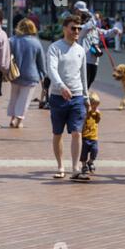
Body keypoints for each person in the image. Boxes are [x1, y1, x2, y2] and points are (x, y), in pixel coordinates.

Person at [47, 14, 90, 182]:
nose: (77, 31)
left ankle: (75, 168)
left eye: (79, 29)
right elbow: (51, 69)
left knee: (76, 132)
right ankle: (60, 166)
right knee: (57, 133)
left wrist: (85, 96)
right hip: (58, 97)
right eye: (73, 28)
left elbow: (83, 75)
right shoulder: (55, 48)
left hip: (77, 96)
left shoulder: (80, 50)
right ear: (65, 28)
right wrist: (61, 86)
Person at [7, 18, 46, 128]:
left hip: (14, 74)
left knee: (14, 96)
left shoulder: (12, 40)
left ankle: (12, 118)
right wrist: (43, 74)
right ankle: (19, 120)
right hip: (31, 75)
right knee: (24, 99)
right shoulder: (36, 42)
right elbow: (41, 61)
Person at [75, 1, 118, 89]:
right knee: (83, 83)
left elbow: (105, 33)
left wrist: (114, 30)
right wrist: (93, 19)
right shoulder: (79, 27)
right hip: (84, 60)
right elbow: (84, 29)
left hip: (94, 60)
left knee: (90, 81)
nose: (84, 15)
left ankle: (83, 99)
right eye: (82, 13)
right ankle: (80, 101)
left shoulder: (94, 29)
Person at [80, 92, 101, 175]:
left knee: (95, 151)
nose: (95, 107)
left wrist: (98, 114)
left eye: (97, 105)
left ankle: (90, 161)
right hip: (85, 137)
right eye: (93, 105)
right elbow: (83, 120)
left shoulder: (96, 113)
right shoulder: (85, 113)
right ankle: (84, 165)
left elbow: (97, 121)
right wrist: (87, 112)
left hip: (93, 137)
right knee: (84, 153)